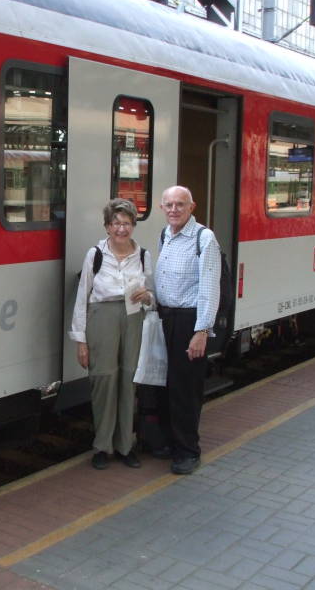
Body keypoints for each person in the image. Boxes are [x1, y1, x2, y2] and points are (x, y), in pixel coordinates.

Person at [70, 198, 155, 470]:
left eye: (127, 223)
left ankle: (125, 446)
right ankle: (102, 446)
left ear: (133, 225)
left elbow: (154, 297)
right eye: (116, 223)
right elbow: (83, 297)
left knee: (130, 377)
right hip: (102, 316)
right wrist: (81, 341)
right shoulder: (95, 254)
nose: (122, 228)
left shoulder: (143, 256)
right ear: (107, 226)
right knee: (103, 379)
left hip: (133, 317)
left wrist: (148, 296)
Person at [154, 186, 221, 475]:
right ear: (161, 207)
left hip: (188, 322)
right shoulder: (165, 235)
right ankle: (171, 442)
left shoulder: (204, 238)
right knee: (165, 385)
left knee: (185, 389)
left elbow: (209, 287)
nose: (174, 209)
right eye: (169, 204)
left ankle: (188, 451)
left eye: (180, 204)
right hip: (164, 318)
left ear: (192, 207)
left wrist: (202, 331)